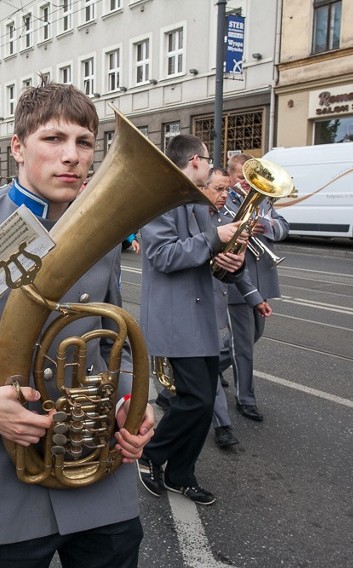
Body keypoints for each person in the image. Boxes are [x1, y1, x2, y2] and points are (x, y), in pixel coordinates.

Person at [0, 82, 155, 567]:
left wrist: (133, 401)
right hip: (10, 476)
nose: (73, 156)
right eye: (54, 139)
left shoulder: (103, 226)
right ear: (18, 147)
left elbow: (113, 347)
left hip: (97, 472)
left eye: (84, 142)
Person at [135, 135, 246, 506]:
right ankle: (152, 454)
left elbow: (207, 259)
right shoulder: (162, 199)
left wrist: (232, 263)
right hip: (174, 317)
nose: (211, 164)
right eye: (208, 159)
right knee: (196, 399)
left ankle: (182, 474)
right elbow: (164, 256)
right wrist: (215, 239)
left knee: (200, 403)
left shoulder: (199, 201)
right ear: (196, 161)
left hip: (198, 315)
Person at [223, 154, 287, 422]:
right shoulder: (225, 201)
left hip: (263, 278)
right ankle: (245, 399)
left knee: (253, 336)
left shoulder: (265, 200)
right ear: (231, 177)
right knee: (244, 345)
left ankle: (209, 366)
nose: (248, 185)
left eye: (251, 180)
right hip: (239, 281)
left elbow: (285, 227)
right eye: (242, 178)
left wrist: (269, 225)